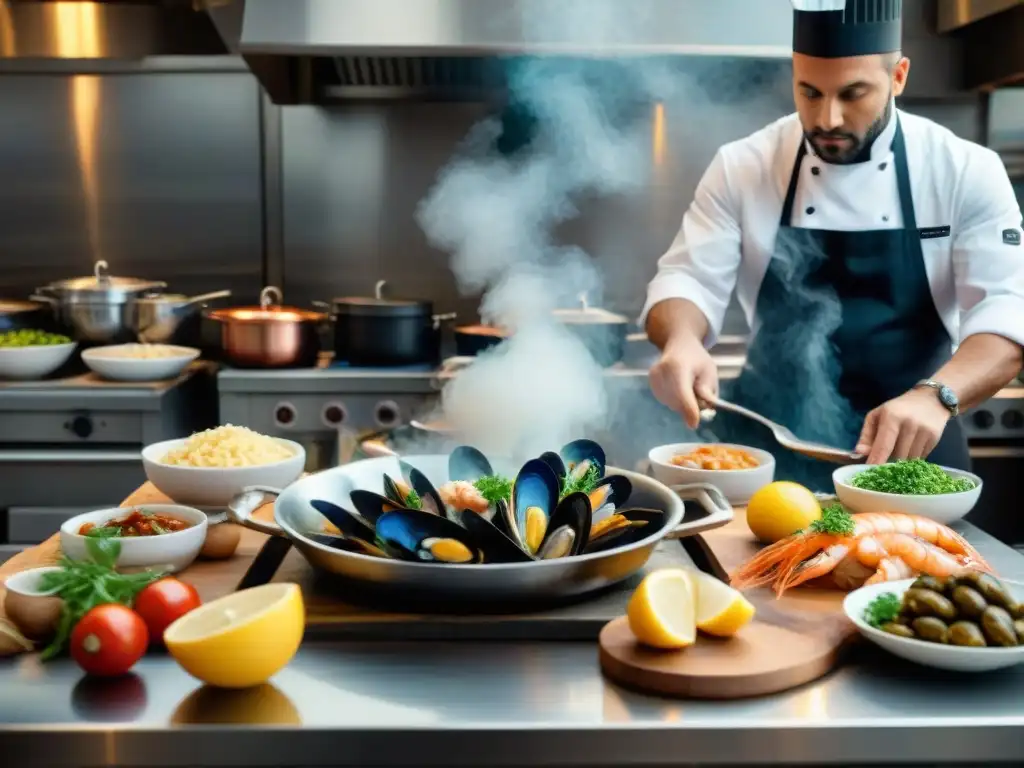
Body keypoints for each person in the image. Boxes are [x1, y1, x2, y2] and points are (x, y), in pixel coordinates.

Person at [643, 0, 1024, 490]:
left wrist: (937, 396)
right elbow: (687, 278)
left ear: (899, 76)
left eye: (853, 92)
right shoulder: (745, 164)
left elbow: (1009, 311)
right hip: (768, 454)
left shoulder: (964, 170)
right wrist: (682, 340)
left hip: (915, 451)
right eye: (809, 92)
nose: (828, 117)